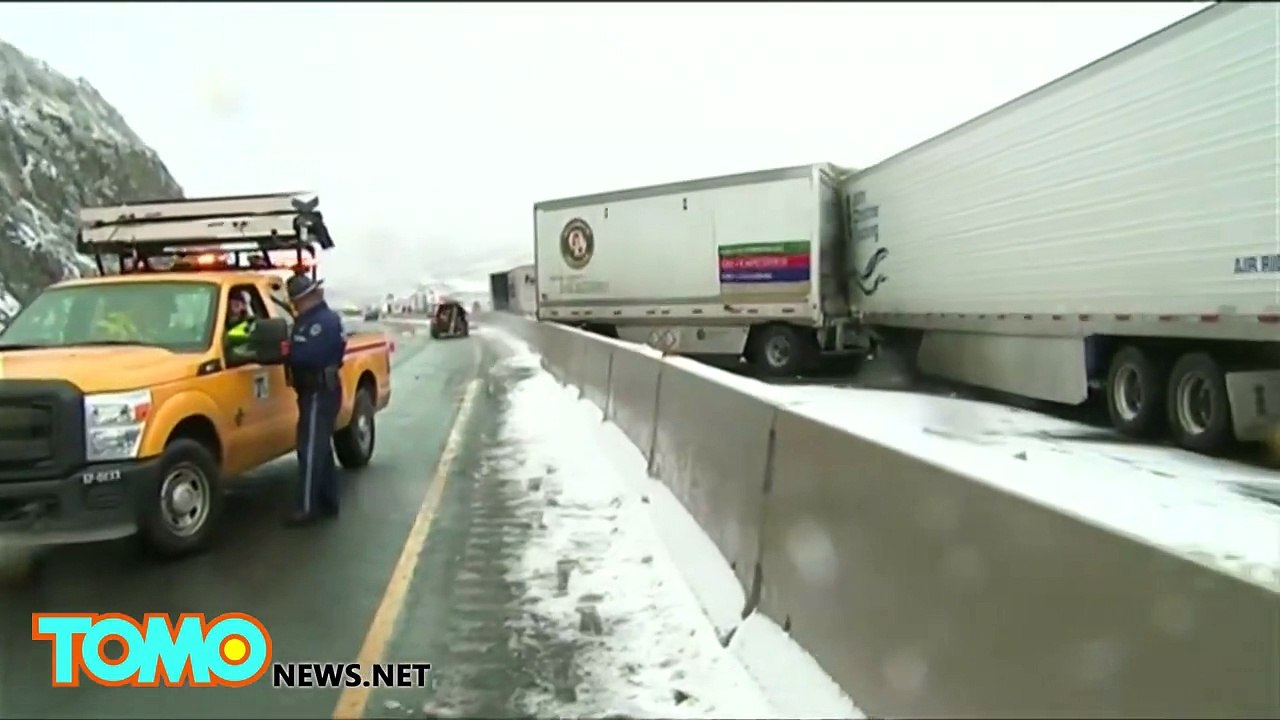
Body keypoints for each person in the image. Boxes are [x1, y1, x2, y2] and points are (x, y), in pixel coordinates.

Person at [283, 274, 347, 525]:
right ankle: (328, 501)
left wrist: (288, 351)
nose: (296, 306)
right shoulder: (307, 321)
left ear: (307, 298)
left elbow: (310, 355)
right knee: (320, 448)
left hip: (319, 390)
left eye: (297, 301)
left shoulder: (323, 322)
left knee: (310, 450)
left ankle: (307, 508)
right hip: (312, 391)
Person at [223, 292, 256, 361]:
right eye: (232, 302)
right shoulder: (219, 320)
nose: (232, 305)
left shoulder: (250, 323)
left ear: (244, 306)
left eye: (237, 304)